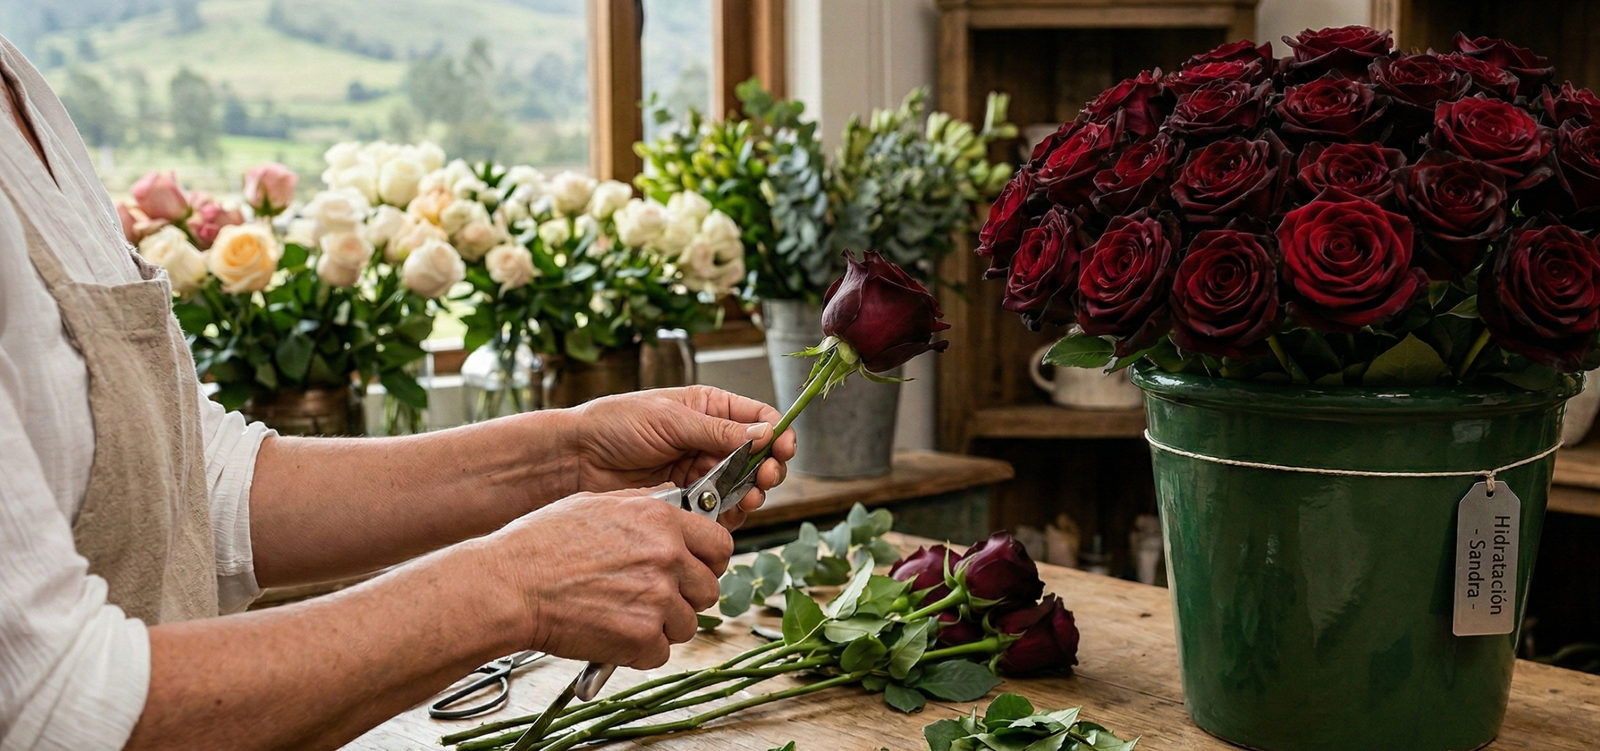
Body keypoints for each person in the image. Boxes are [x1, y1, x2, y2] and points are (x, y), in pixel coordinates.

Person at [0, 35, 794, 751]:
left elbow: (190, 486)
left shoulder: (23, 92)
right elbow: (56, 703)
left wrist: (566, 455)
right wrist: (514, 585)